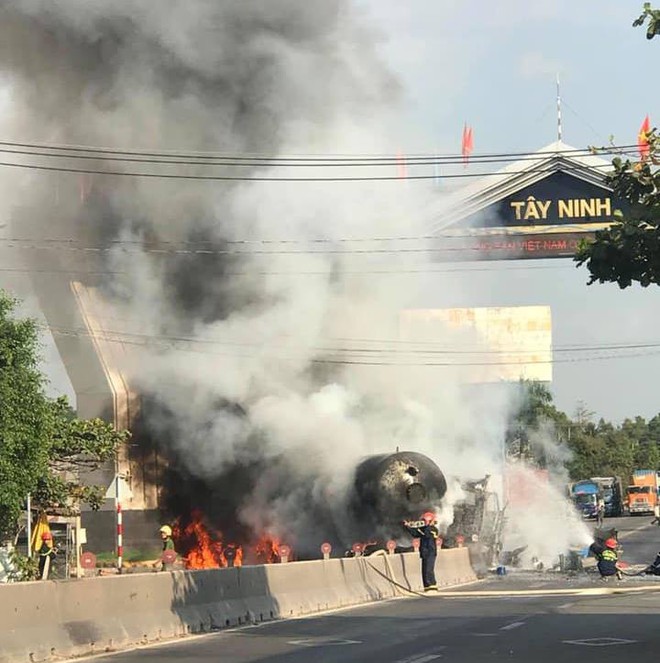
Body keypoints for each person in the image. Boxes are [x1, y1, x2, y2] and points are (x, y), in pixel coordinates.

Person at [403, 512, 439, 591]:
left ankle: (432, 586)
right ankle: (427, 587)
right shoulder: (423, 529)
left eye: (425, 520)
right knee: (424, 570)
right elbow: (415, 534)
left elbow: (427, 534)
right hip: (424, 552)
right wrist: (408, 526)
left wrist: (422, 526)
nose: (424, 522)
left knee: (429, 570)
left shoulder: (434, 530)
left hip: (431, 552)